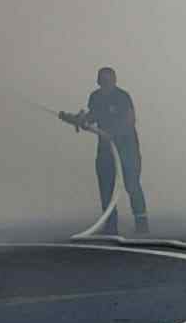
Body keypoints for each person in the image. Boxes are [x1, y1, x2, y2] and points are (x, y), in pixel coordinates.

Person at [64, 66, 149, 236]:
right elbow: (93, 116)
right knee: (106, 186)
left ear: (115, 81)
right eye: (102, 81)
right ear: (98, 81)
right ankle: (110, 226)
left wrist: (114, 134)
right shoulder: (95, 97)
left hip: (127, 148)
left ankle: (142, 225)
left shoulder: (122, 97)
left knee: (131, 184)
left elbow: (130, 120)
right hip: (105, 150)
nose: (106, 84)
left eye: (108, 81)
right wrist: (79, 119)